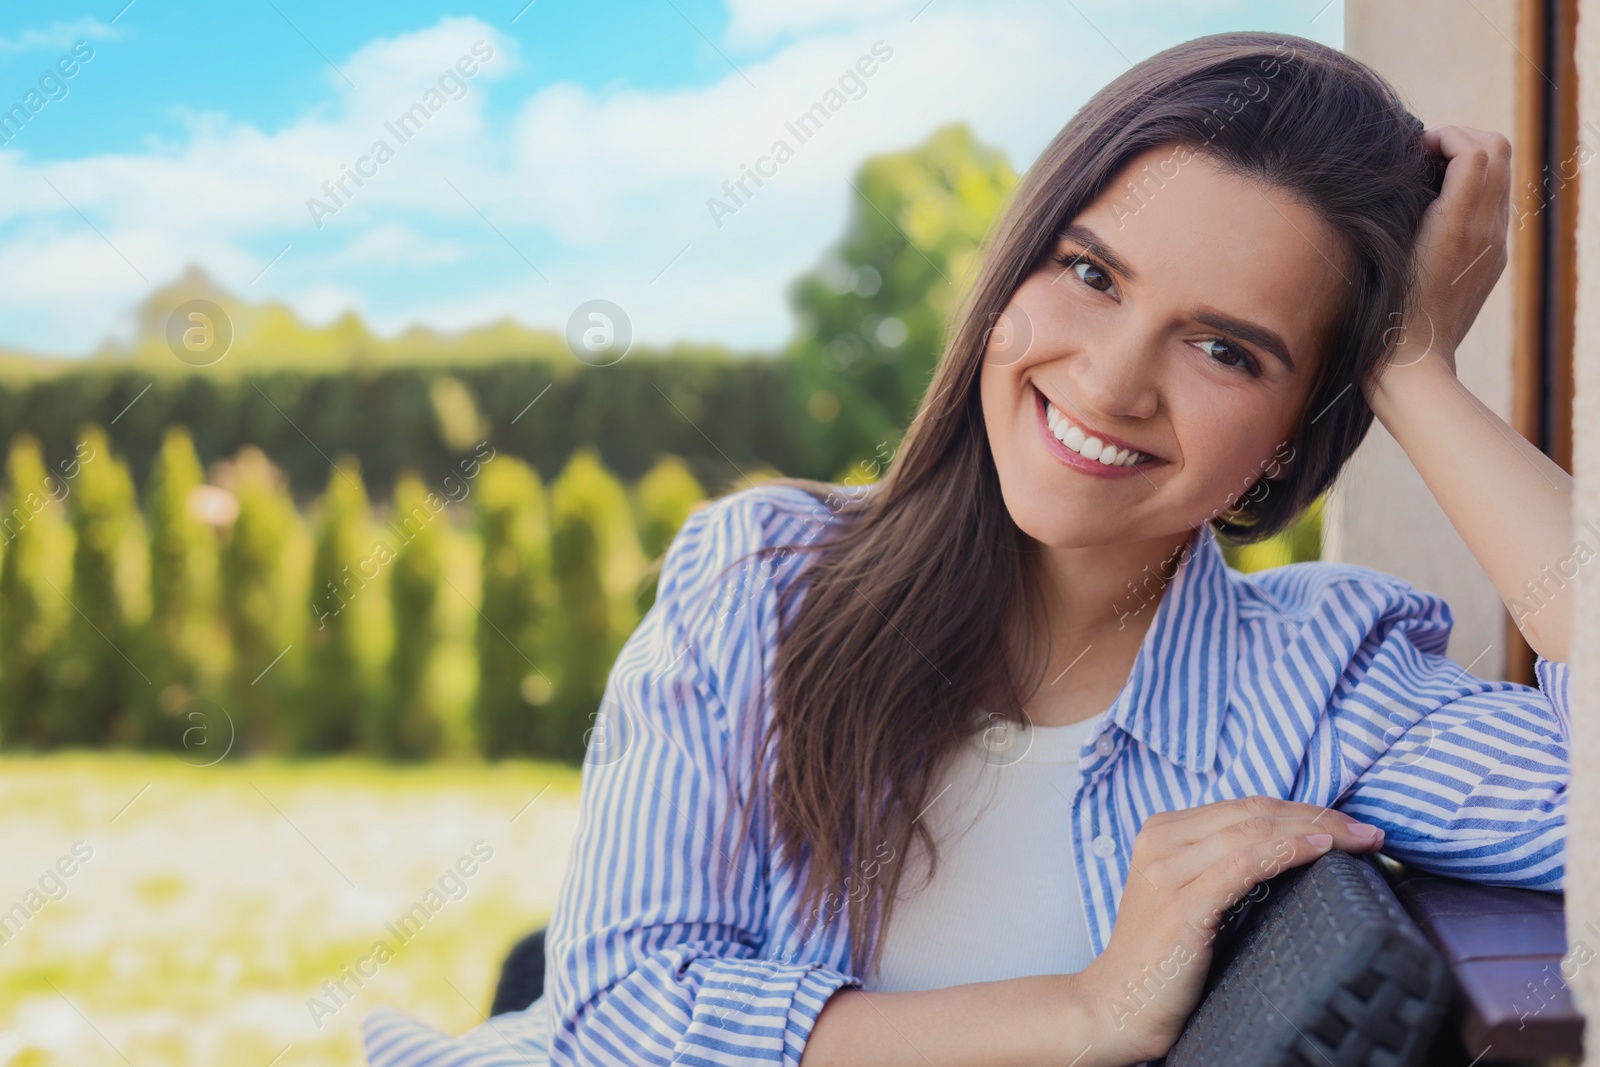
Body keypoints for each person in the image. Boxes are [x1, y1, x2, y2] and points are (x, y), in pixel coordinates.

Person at [362, 29, 1571, 1067]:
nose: (1107, 379)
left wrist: (1413, 376)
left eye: (1224, 350)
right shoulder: (763, 582)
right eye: (1090, 272)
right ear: (1014, 270)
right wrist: (1085, 1010)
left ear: (1287, 438)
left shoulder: (1321, 687)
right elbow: (615, 1021)